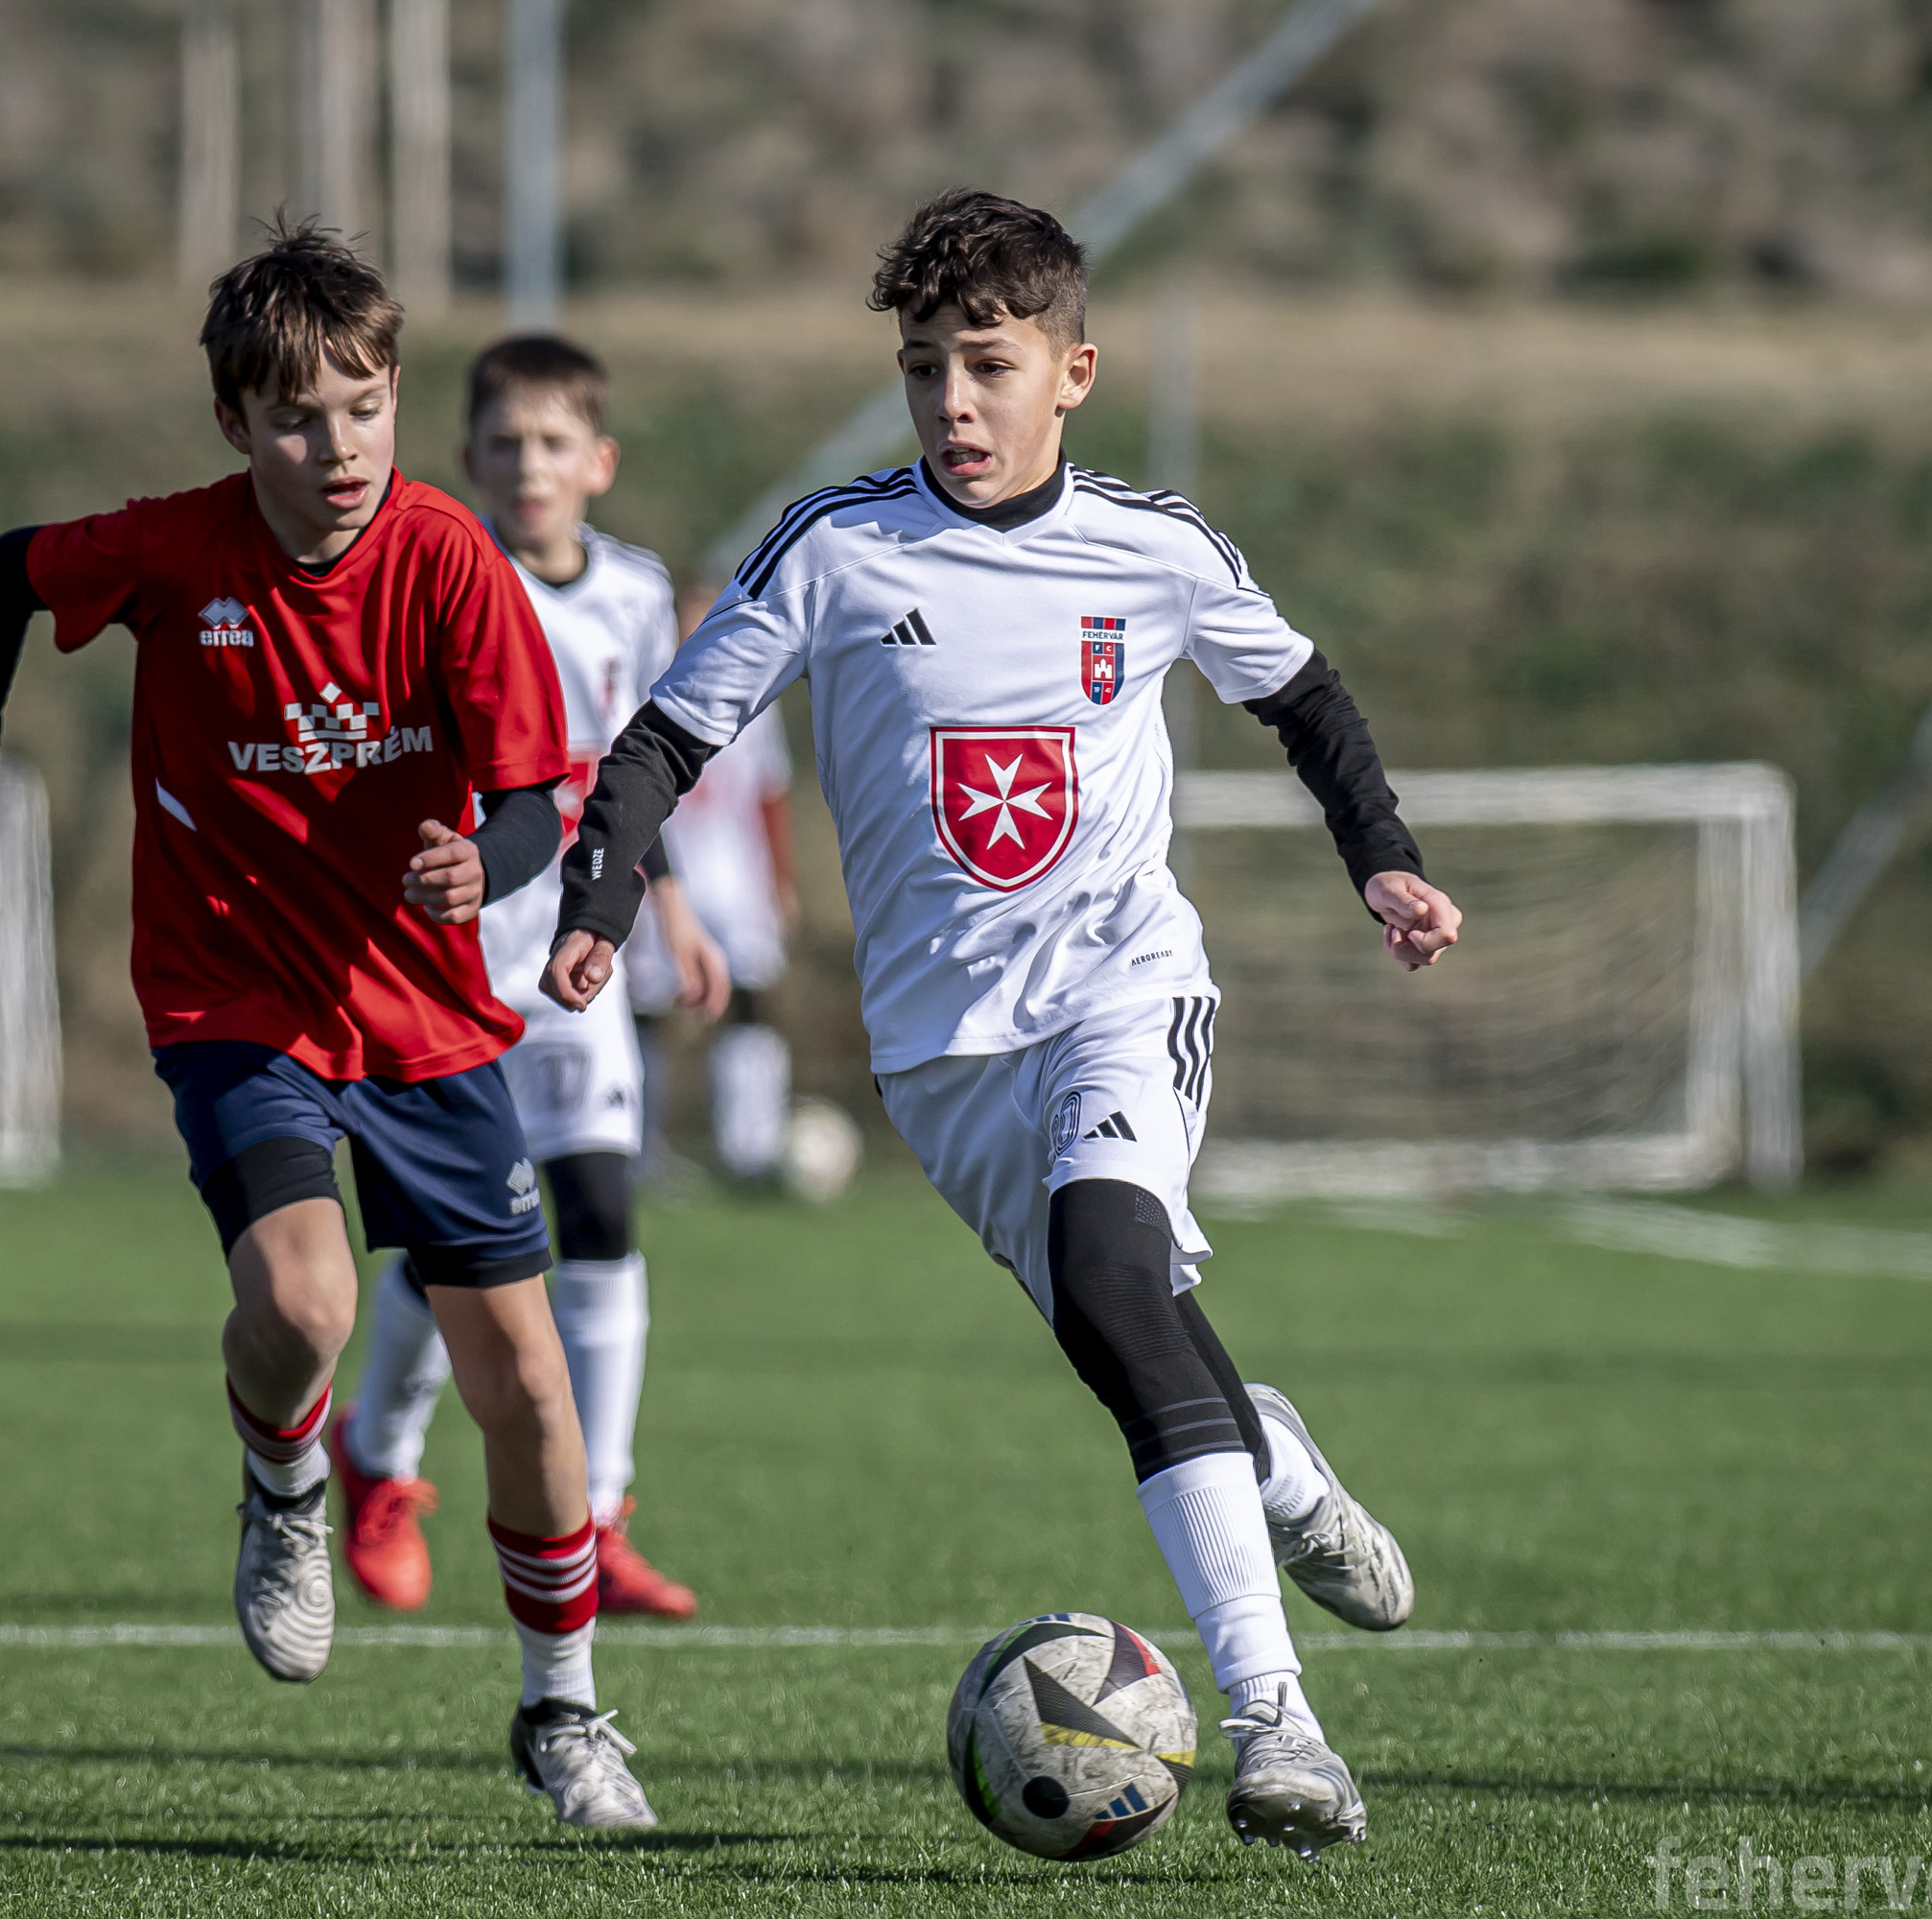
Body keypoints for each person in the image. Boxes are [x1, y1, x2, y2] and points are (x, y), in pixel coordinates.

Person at [542, 189, 1462, 1860]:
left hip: (1122, 985)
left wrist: (1383, 860)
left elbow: (1305, 697)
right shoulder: (834, 551)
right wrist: (600, 908)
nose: (951, 402)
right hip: (942, 1054)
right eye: (922, 368)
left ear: (1072, 373)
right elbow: (665, 739)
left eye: (988, 364)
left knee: (1115, 1280)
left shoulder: (1155, 548)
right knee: (1133, 1342)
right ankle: (1277, 1464)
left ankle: (1281, 1728)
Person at [0, 222, 656, 1829]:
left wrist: (494, 860)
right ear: (235, 421)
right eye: (300, 420)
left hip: (428, 1017)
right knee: (305, 1302)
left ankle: (564, 1713)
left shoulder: (449, 559)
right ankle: (286, 1483)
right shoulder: (176, 554)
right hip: (235, 998)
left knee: (529, 1387)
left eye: (366, 408)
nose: (341, 448)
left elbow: (540, 793)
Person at [332, 334, 722, 1623]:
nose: (529, 465)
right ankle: (378, 1460)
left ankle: (598, 1514)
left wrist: (673, 906)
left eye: (553, 443)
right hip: (447, 962)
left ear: (598, 461)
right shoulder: (439, 579)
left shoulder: (637, 591)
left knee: (600, 1216)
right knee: (462, 1237)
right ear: (469, 459)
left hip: (576, 958)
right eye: (505, 444)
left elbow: (638, 768)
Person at [625, 632, 800, 1183]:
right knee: (647, 1010)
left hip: (737, 879)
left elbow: (770, 792)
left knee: (750, 1001)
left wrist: (782, 877)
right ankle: (636, 1149)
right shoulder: (653, 691)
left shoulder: (758, 694)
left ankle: (750, 1149)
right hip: (669, 878)